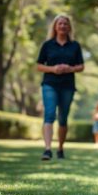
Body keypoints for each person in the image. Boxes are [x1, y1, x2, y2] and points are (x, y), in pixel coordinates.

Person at [36, 14, 84, 160]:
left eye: (65, 24)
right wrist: (53, 69)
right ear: (55, 27)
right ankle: (48, 149)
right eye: (60, 23)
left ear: (69, 27)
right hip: (50, 84)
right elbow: (39, 65)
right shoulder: (47, 45)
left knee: (63, 119)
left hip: (67, 86)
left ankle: (60, 148)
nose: (62, 26)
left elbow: (81, 66)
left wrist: (69, 69)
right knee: (49, 114)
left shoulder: (75, 46)